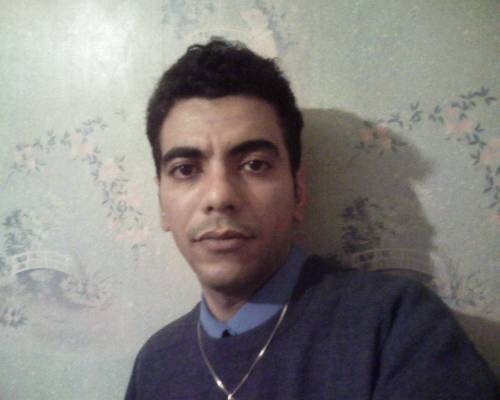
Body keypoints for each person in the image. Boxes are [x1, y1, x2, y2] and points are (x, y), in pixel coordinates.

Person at [125, 39, 498, 399]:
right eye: (186, 169)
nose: (219, 197)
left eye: (254, 165)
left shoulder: (395, 326)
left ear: (298, 192)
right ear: (162, 205)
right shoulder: (154, 366)